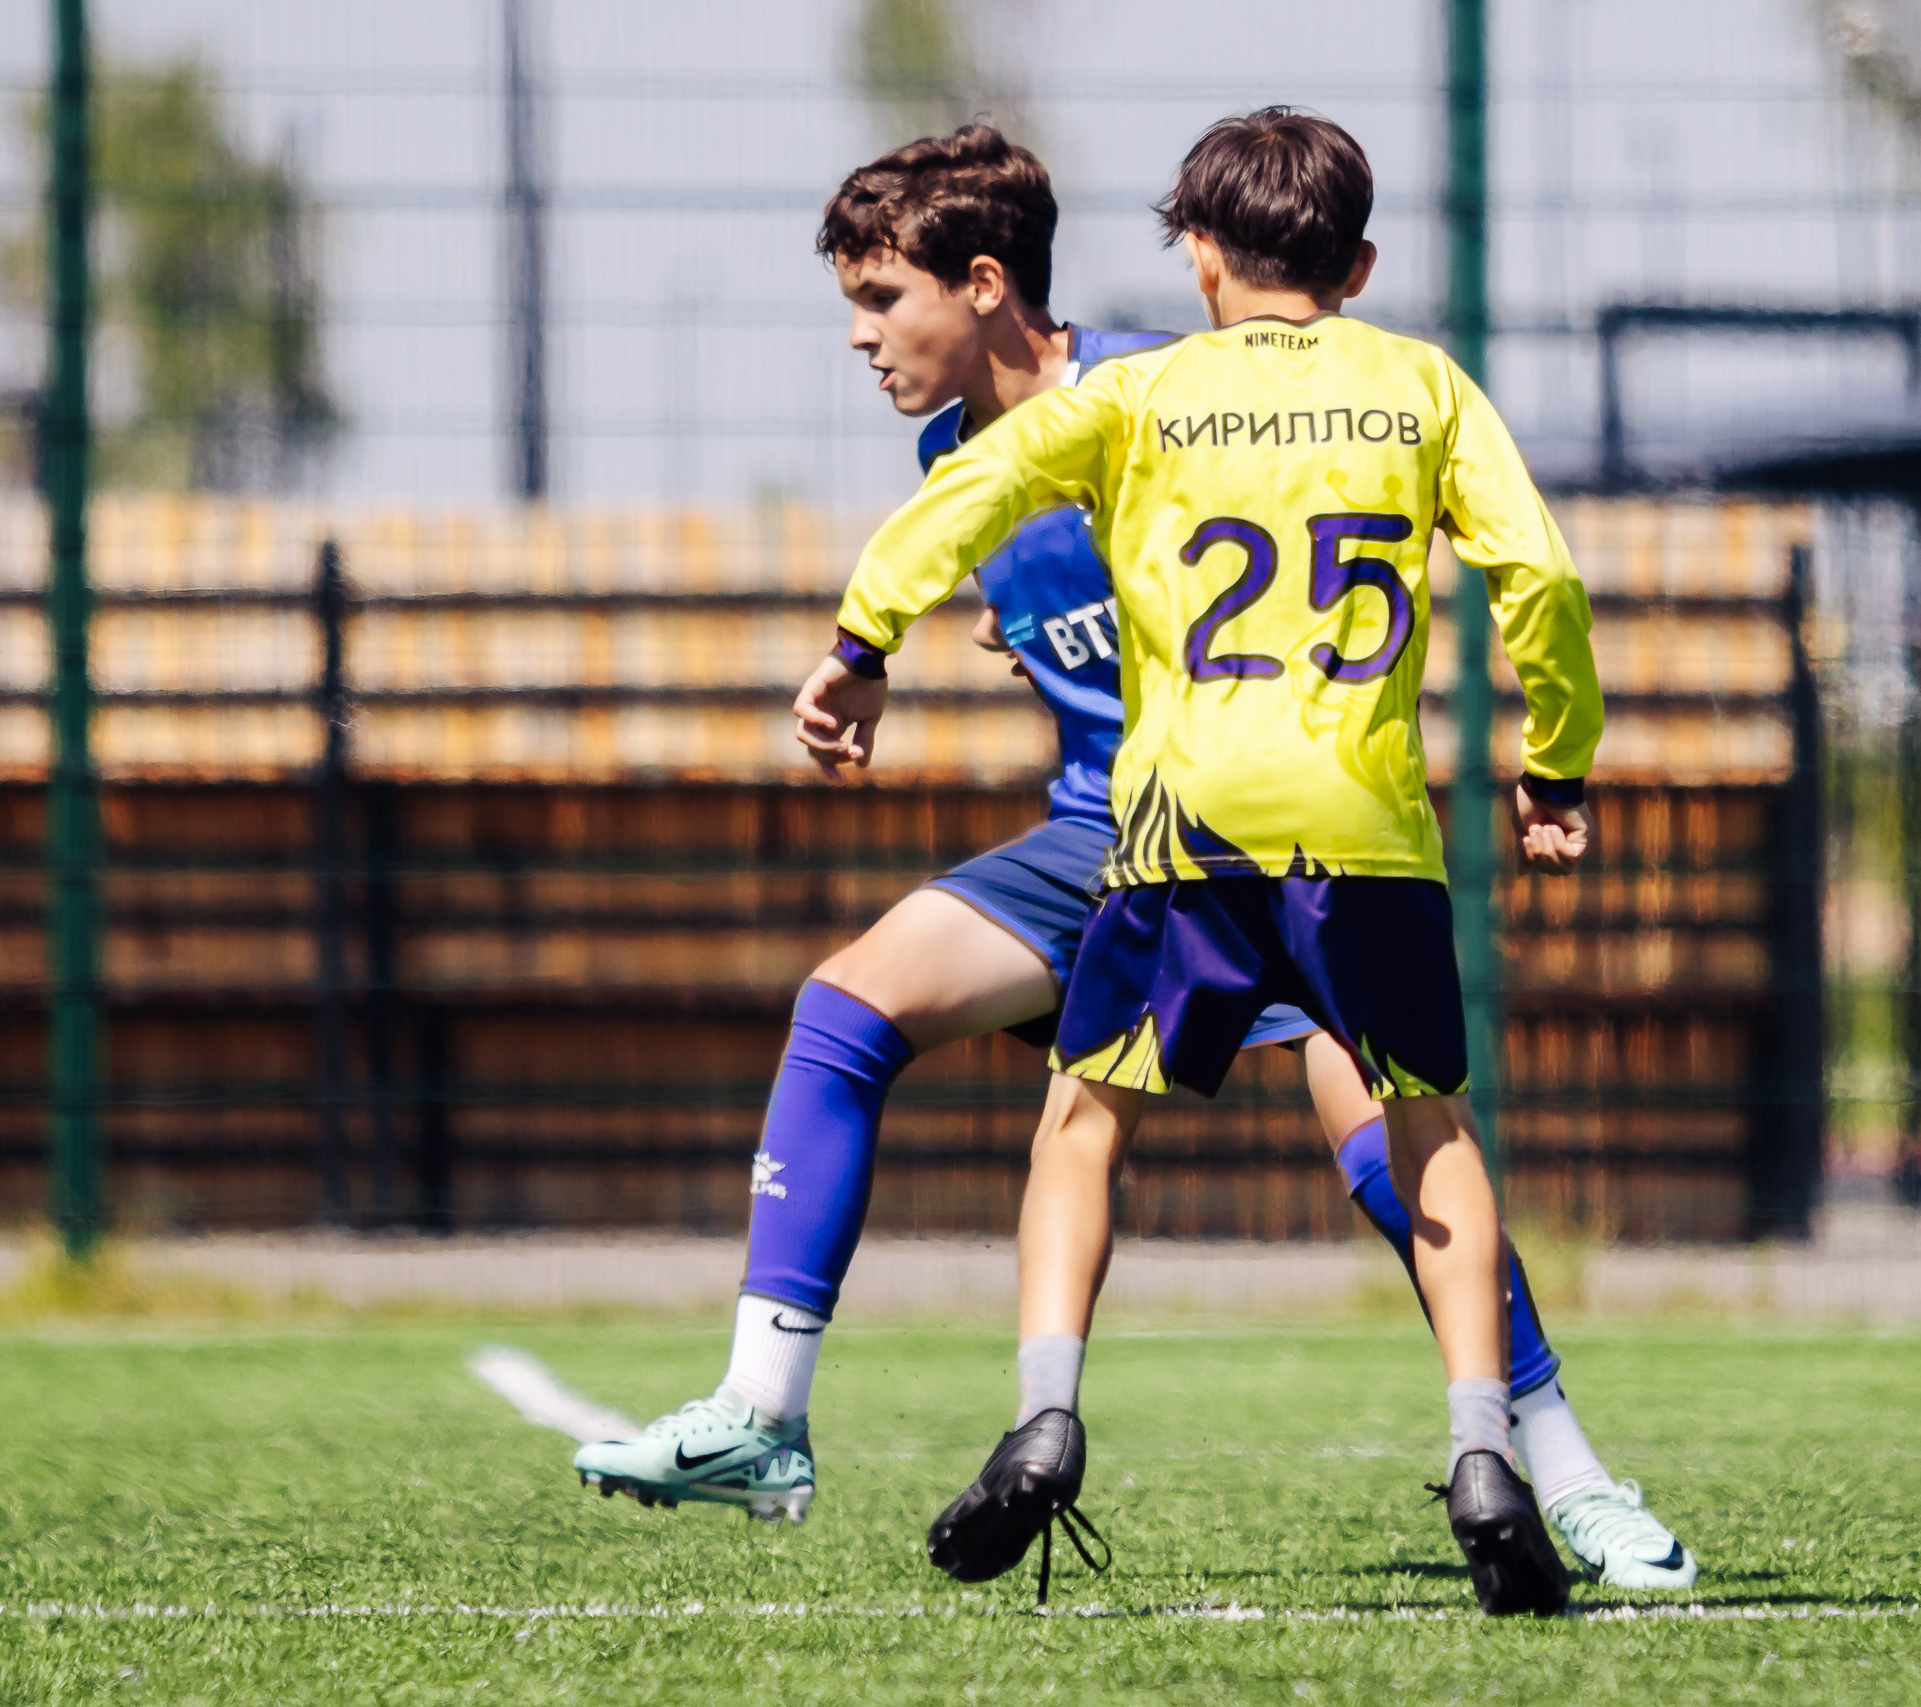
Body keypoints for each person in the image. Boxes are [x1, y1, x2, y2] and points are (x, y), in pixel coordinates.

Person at [571, 123, 1692, 1598]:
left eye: (879, 299)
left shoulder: (1170, 391)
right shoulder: (959, 453)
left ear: (982, 286)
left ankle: (1567, 1471)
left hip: (1190, 830)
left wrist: (870, 641)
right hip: (1142, 829)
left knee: (1380, 1151)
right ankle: (764, 1412)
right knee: (848, 1010)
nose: (860, 336)